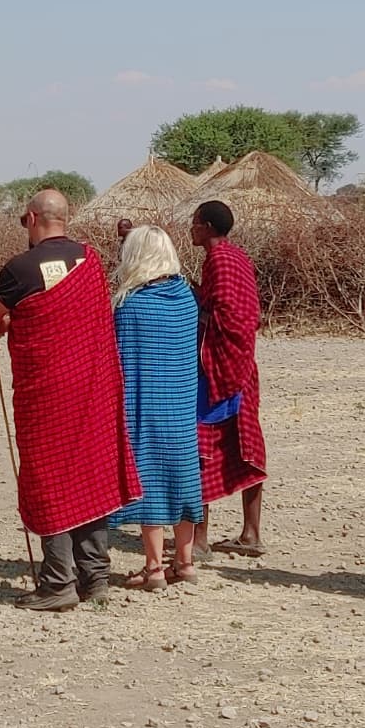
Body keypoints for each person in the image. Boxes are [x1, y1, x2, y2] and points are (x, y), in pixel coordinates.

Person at [0, 188, 140, 611]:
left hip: (47, 394)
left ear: (31, 219)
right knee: (90, 473)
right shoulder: (91, 260)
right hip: (93, 389)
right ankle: (96, 577)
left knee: (50, 478)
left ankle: (57, 584)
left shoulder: (20, 268)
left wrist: (1, 327)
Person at [105, 226, 205, 588]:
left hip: (143, 405)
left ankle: (153, 567)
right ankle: (186, 561)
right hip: (180, 404)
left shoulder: (129, 304)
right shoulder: (185, 298)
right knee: (183, 477)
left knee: (151, 481)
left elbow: (115, 357)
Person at [190, 200, 269, 557]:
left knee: (203, 445)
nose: (190, 230)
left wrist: (194, 306)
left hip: (218, 367)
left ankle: (201, 540)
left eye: (194, 224)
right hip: (244, 365)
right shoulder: (239, 257)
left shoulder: (219, 260)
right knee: (246, 442)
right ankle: (251, 533)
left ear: (207, 226)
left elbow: (224, 312)